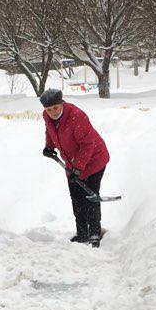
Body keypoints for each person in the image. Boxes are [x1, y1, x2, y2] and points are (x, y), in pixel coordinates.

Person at [41, 88, 110, 247]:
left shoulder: (76, 116)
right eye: (48, 109)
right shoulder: (47, 116)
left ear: (62, 103)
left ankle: (94, 233)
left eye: (55, 108)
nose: (52, 112)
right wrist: (49, 146)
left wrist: (78, 169)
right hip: (72, 163)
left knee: (90, 196)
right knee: (76, 199)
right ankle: (82, 233)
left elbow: (88, 145)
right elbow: (50, 131)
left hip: (94, 160)